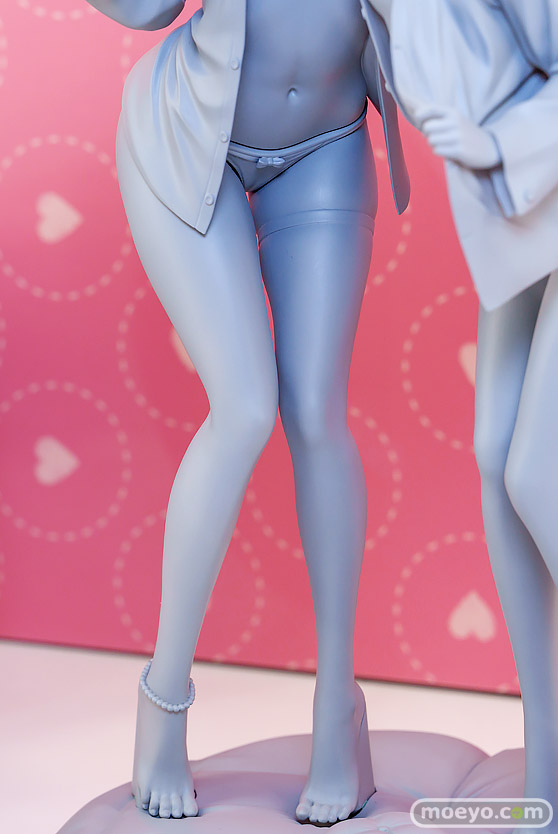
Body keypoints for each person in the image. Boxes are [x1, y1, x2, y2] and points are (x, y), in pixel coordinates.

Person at [86, 0, 410, 825]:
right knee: (243, 408)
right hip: (192, 134)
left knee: (317, 414)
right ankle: (163, 697)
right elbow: (146, 10)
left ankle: (338, 712)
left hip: (328, 147)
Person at [364, 0, 558, 828]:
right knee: (494, 456)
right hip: (519, 219)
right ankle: (548, 771)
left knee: (535, 472)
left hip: (529, 176)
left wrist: (499, 145)